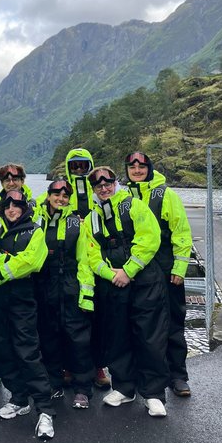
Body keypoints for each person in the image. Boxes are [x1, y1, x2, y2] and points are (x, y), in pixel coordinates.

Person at [83, 166, 170, 417]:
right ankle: (124, 387)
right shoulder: (91, 219)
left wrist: (128, 270)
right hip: (114, 285)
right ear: (94, 189)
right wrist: (112, 275)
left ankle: (153, 394)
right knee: (117, 337)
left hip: (145, 280)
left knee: (150, 337)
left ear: (115, 182)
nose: (104, 188)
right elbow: (92, 253)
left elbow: (149, 238)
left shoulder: (134, 206)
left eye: (108, 182)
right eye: (98, 185)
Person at [0, 190, 55, 439]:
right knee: (3, 349)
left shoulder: (35, 231)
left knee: (27, 351)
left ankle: (45, 409)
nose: (11, 209)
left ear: (24, 208)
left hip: (21, 298)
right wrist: (4, 260)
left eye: (16, 205)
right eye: (7, 205)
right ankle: (18, 397)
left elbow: (32, 261)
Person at [125, 151, 192, 397]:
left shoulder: (165, 195)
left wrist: (179, 268)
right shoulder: (122, 197)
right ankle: (142, 375)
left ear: (149, 167)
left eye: (142, 165)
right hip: (138, 270)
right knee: (139, 325)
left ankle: (178, 376)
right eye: (132, 166)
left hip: (165, 269)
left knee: (173, 322)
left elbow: (181, 232)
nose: (137, 169)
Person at [34, 179, 95, 408]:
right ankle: (54, 382)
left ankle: (82, 388)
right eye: (56, 194)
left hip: (70, 282)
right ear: (48, 195)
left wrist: (85, 292)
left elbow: (84, 260)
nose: (60, 199)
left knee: (78, 337)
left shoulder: (78, 224)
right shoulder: (36, 220)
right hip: (44, 283)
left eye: (65, 195)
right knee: (48, 336)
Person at [0, 163, 36, 393]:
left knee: (26, 330)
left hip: (26, 278)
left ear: (23, 180)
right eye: (6, 179)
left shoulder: (37, 205)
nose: (11, 182)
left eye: (16, 178)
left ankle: (27, 376)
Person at [64, 147, 110, 389]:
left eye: (84, 165)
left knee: (98, 318)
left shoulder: (99, 192)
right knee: (72, 319)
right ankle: (70, 365)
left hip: (98, 260)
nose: (80, 170)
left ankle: (98, 366)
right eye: (75, 166)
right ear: (68, 168)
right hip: (71, 264)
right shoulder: (63, 191)